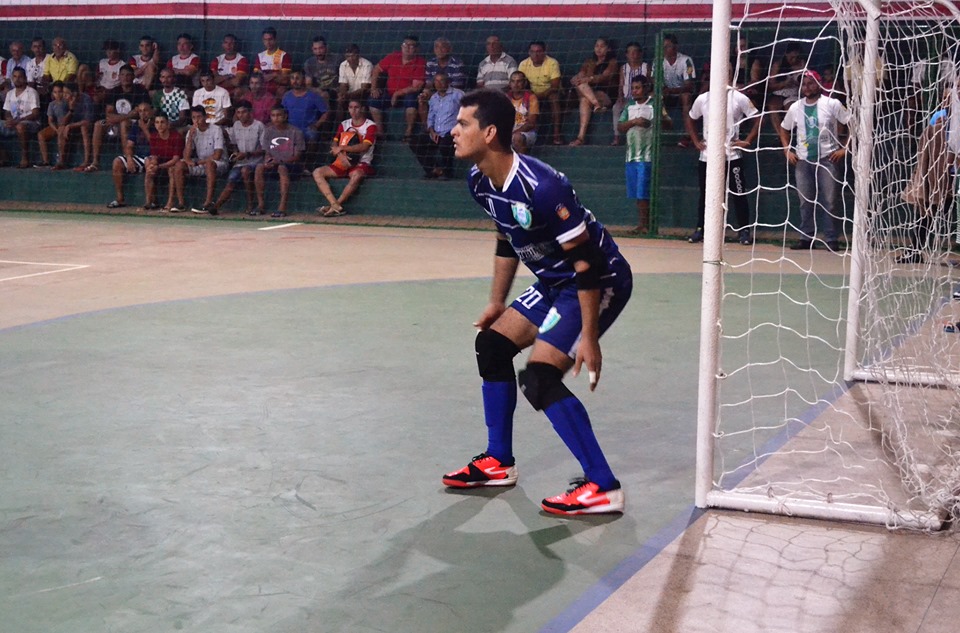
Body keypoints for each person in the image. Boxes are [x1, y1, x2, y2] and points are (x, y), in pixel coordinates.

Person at [442, 89, 633, 515]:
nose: (452, 131)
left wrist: (588, 335)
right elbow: (506, 237)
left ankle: (603, 485)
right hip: (554, 280)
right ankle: (498, 461)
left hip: (598, 280)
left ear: (490, 133)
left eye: (463, 124)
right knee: (492, 345)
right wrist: (497, 302)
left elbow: (587, 262)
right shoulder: (479, 180)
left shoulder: (543, 187)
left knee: (540, 378)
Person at [685, 62, 761, 245]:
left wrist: (748, 140)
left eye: (725, 73)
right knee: (705, 195)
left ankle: (744, 231)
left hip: (732, 156)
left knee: (739, 194)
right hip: (708, 157)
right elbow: (691, 118)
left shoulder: (739, 98)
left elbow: (758, 117)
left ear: (730, 75)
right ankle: (701, 229)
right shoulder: (703, 99)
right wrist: (696, 141)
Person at [777, 70, 850, 252]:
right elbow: (784, 128)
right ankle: (806, 238)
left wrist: (845, 148)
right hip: (803, 160)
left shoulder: (832, 104)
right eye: (803, 84)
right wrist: (787, 149)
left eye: (810, 83)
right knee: (805, 201)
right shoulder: (795, 107)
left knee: (830, 201)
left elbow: (853, 124)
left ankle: (831, 238)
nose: (806, 87)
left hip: (828, 158)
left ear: (818, 84)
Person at [618, 77, 671, 233]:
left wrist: (654, 122)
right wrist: (634, 122)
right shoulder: (629, 106)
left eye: (638, 88)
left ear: (646, 88)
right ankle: (642, 224)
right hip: (631, 156)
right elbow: (620, 126)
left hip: (647, 156)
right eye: (633, 88)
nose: (635, 91)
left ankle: (646, 225)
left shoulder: (654, 105)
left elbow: (669, 123)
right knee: (637, 193)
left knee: (643, 191)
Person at [312, 98, 376, 217]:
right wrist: (341, 156)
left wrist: (343, 149)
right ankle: (334, 204)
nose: (353, 110)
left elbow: (365, 146)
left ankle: (335, 205)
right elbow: (334, 144)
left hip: (361, 163)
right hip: (342, 162)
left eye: (356, 107)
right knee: (317, 172)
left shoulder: (370, 126)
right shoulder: (344, 124)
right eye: (351, 107)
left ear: (362, 109)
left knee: (356, 175)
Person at [86, 65, 150, 172]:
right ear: (119, 76)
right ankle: (95, 162)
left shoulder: (140, 91)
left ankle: (126, 159)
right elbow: (109, 114)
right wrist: (128, 115)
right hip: (117, 122)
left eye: (128, 75)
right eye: (123, 75)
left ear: (133, 77)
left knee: (124, 123)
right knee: (98, 124)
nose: (125, 77)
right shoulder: (114, 91)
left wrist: (124, 118)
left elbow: (140, 114)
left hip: (134, 125)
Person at [368, 35, 426, 141]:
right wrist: (374, 88)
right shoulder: (393, 57)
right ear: (401, 46)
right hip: (389, 93)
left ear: (417, 49)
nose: (407, 47)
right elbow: (376, 69)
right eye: (405, 45)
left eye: (411, 45)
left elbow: (416, 87)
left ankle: (408, 133)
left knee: (412, 101)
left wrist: (397, 93)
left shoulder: (420, 62)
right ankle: (380, 132)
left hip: (407, 95)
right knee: (373, 100)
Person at [175, 106, 229, 214]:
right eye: (194, 117)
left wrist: (197, 162)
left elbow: (217, 155)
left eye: (199, 117)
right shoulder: (192, 131)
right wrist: (190, 137)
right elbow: (186, 156)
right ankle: (181, 204)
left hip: (219, 164)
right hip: (200, 163)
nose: (197, 120)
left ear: (205, 117)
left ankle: (207, 203)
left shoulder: (216, 129)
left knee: (209, 164)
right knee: (179, 165)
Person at [254, 105, 305, 217]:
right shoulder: (268, 131)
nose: (276, 118)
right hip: (274, 164)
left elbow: (297, 156)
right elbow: (267, 151)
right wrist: (268, 160)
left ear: (285, 116)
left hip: (292, 166)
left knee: (282, 168)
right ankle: (260, 205)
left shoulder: (295, 132)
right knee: (259, 167)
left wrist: (280, 161)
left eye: (279, 115)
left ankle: (282, 207)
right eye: (273, 116)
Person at [213, 100, 264, 214]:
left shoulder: (259, 126)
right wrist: (236, 153)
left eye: (243, 112)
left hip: (256, 162)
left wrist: (247, 154)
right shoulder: (236, 125)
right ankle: (215, 206)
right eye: (238, 113)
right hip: (240, 162)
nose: (241, 115)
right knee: (231, 180)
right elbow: (235, 144)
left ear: (250, 112)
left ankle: (250, 204)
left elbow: (264, 149)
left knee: (245, 171)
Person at [411, 72, 462, 179]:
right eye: (436, 81)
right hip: (435, 134)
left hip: (452, 133)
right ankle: (434, 170)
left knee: (445, 144)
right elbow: (430, 117)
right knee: (415, 142)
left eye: (441, 80)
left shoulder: (458, 94)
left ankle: (447, 173)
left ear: (448, 82)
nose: (438, 84)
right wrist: (431, 131)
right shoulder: (433, 98)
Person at [569, 37, 618, 147]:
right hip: (589, 94)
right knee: (582, 91)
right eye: (597, 46)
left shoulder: (612, 62)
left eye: (602, 46)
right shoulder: (589, 62)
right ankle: (596, 105)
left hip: (606, 95)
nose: (598, 49)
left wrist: (589, 79)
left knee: (584, 99)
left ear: (608, 49)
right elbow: (581, 74)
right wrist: (576, 78)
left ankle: (580, 137)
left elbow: (605, 76)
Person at [107, 102, 155, 208]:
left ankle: (150, 202)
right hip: (138, 157)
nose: (143, 114)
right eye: (141, 111)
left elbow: (155, 145)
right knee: (117, 162)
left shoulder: (157, 124)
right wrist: (129, 158)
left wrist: (145, 129)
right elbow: (129, 146)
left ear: (151, 111)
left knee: (149, 163)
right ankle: (120, 199)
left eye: (146, 110)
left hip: (153, 157)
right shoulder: (136, 125)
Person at [518, 41, 562, 145]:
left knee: (554, 98)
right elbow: (520, 83)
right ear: (529, 52)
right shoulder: (524, 64)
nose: (536, 54)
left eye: (539, 51)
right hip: (531, 94)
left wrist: (537, 96)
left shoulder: (552, 62)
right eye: (533, 52)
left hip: (549, 92)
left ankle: (556, 135)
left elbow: (555, 86)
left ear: (544, 52)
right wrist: (531, 96)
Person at [418, 37, 466, 125]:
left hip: (452, 93)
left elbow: (457, 85)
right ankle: (427, 128)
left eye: (442, 47)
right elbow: (429, 84)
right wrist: (425, 93)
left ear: (449, 49)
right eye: (436, 47)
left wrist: (440, 92)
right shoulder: (430, 63)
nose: (439, 50)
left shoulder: (457, 63)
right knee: (422, 99)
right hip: (436, 93)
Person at [143, 111, 185, 211]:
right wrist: (153, 165)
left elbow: (176, 159)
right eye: (157, 122)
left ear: (167, 124)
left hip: (172, 162)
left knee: (171, 170)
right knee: (149, 168)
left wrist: (159, 166)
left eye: (162, 122)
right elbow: (154, 156)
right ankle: (149, 202)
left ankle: (170, 202)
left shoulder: (176, 137)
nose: (159, 125)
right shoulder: (154, 137)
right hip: (160, 162)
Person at [1, 68, 41, 168]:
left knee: (20, 126)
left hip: (31, 123)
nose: (17, 79)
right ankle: (2, 156)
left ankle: (25, 158)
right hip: (14, 122)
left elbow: (35, 113)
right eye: (14, 76)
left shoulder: (31, 92)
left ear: (25, 78)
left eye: (20, 77)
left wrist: (17, 121)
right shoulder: (10, 93)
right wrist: (9, 119)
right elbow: (7, 111)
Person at [661, 33, 696, 146]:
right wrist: (663, 89)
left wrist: (672, 91)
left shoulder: (686, 60)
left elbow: (689, 85)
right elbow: (653, 79)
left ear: (675, 47)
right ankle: (658, 134)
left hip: (681, 93)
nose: (665, 49)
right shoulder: (659, 61)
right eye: (663, 47)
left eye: (668, 46)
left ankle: (687, 135)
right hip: (666, 94)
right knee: (654, 96)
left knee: (686, 97)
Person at [281, 70, 329, 151]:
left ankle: (309, 161)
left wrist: (316, 125)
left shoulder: (313, 96)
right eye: (292, 78)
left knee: (312, 135)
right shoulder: (286, 96)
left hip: (307, 129)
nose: (295, 81)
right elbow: (282, 112)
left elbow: (325, 112)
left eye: (297, 78)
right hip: (291, 129)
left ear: (303, 80)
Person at [612, 42, 648, 146]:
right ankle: (616, 137)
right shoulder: (623, 68)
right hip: (627, 98)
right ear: (626, 55)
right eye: (630, 52)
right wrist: (620, 97)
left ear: (640, 54)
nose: (633, 55)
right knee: (616, 108)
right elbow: (621, 84)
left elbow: (650, 83)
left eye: (635, 52)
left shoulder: (646, 67)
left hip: (641, 98)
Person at [767, 43, 806, 132]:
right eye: (791, 57)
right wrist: (784, 84)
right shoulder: (778, 65)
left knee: (790, 108)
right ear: (786, 54)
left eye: (796, 57)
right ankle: (781, 136)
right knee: (772, 106)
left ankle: (790, 135)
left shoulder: (802, 64)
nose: (794, 60)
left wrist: (798, 80)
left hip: (794, 94)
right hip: (779, 93)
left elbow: (806, 83)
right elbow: (770, 86)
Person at [57, 83, 96, 170]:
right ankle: (61, 161)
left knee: (83, 128)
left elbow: (88, 120)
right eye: (63, 93)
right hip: (73, 126)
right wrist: (71, 110)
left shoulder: (86, 99)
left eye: (66, 93)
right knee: (61, 129)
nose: (64, 95)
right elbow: (62, 122)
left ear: (74, 94)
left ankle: (86, 161)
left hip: (88, 125)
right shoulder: (64, 101)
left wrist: (70, 126)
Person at [34, 81, 67, 168]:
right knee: (41, 135)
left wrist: (61, 128)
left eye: (60, 92)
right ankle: (46, 161)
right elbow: (50, 121)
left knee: (60, 133)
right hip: (56, 126)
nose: (58, 94)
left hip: (66, 126)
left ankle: (61, 162)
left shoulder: (67, 102)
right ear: (52, 93)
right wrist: (55, 129)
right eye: (55, 92)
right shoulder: (51, 104)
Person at [337, 44, 373, 120]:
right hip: (349, 94)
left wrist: (348, 95)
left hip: (363, 95)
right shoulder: (343, 65)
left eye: (353, 56)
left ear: (358, 55)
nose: (350, 59)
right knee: (339, 101)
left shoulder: (367, 65)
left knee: (355, 102)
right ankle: (341, 127)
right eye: (347, 56)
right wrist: (343, 94)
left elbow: (364, 88)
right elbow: (343, 84)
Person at [254, 27, 293, 96]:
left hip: (277, 89)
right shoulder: (260, 56)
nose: (268, 42)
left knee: (282, 91)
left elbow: (284, 79)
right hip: (262, 88)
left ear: (275, 39)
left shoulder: (284, 56)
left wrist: (270, 75)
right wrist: (276, 75)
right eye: (265, 40)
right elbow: (257, 76)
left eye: (270, 39)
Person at [506, 70, 538, 154]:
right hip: (509, 131)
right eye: (513, 81)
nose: (516, 84)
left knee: (517, 137)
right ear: (510, 83)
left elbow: (531, 123)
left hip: (527, 133)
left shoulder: (531, 97)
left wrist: (513, 133)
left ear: (524, 83)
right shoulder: (506, 98)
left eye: (519, 81)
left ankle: (520, 165)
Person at [303, 36, 338, 108]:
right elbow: (308, 84)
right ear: (312, 50)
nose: (318, 52)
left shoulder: (337, 59)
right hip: (319, 91)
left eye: (321, 48)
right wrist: (318, 91)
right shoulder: (309, 63)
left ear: (326, 48)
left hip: (336, 90)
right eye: (315, 49)